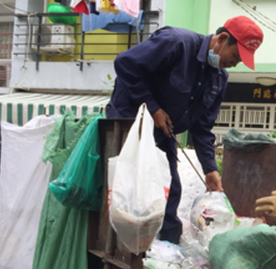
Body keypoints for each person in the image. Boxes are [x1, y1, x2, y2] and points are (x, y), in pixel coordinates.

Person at [106, 16, 264, 243]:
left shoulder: (219, 79)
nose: (235, 63)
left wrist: (210, 169)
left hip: (163, 133)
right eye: (236, 56)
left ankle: (166, 253)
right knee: (127, 193)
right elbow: (125, 64)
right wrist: (153, 108)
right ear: (222, 39)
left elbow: (202, 128)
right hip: (127, 128)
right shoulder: (176, 43)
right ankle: (120, 249)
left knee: (170, 191)